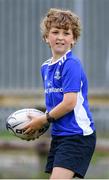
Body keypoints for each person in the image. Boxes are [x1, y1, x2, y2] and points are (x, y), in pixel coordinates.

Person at [22, 8, 96, 179]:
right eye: (55, 32)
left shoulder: (71, 64)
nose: (60, 37)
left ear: (74, 39)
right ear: (46, 37)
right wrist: (38, 126)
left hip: (77, 136)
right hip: (60, 136)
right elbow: (54, 106)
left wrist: (42, 120)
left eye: (66, 33)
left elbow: (69, 103)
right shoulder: (45, 68)